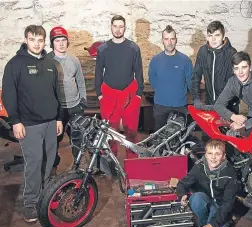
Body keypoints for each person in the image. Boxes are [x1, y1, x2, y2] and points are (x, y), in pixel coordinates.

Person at [1, 25, 63, 223]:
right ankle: (30, 202)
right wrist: (15, 122)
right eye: (32, 39)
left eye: (40, 40)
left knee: (49, 160)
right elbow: (9, 96)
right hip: (28, 124)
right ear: (26, 40)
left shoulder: (51, 63)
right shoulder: (15, 64)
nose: (37, 44)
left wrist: (59, 117)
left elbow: (57, 93)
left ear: (44, 41)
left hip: (51, 122)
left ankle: (45, 196)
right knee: (34, 162)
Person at [95, 15, 144, 158]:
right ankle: (110, 162)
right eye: (115, 26)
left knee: (131, 131)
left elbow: (139, 72)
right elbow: (98, 72)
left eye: (120, 26)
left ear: (125, 28)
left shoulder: (133, 48)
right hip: (109, 94)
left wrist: (138, 94)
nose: (117, 29)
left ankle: (132, 162)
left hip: (129, 93)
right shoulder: (103, 49)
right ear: (111, 27)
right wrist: (99, 94)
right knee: (110, 132)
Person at [176, 139, 238, 227]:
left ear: (223, 156)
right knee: (196, 198)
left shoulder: (230, 173)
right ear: (205, 154)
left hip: (222, 209)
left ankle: (226, 221)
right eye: (210, 153)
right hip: (208, 203)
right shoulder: (199, 167)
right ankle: (203, 223)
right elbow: (183, 183)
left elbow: (228, 204)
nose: (213, 157)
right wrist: (182, 194)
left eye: (217, 154)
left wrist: (212, 226)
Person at [47, 26, 87, 174]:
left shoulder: (74, 60)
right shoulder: (47, 61)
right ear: (52, 43)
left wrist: (83, 101)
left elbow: (80, 81)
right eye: (57, 40)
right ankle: (52, 169)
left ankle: (79, 168)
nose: (61, 43)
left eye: (64, 40)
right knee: (53, 141)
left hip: (75, 106)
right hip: (57, 110)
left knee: (77, 139)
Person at [148, 25, 192, 130]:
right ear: (162, 40)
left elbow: (190, 82)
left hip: (180, 106)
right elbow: (152, 81)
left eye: (172, 39)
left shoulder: (185, 60)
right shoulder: (155, 61)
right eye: (166, 39)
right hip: (160, 106)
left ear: (176, 40)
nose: (170, 42)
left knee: (178, 139)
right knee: (159, 140)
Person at [191, 20, 237, 111]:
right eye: (210, 36)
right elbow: (195, 77)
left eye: (217, 35)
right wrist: (196, 99)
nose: (213, 39)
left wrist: (222, 104)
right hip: (209, 104)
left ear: (223, 36)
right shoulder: (203, 52)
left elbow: (234, 83)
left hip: (229, 106)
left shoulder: (232, 53)